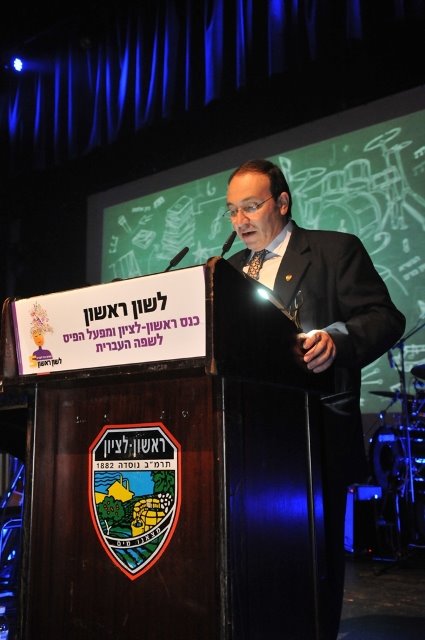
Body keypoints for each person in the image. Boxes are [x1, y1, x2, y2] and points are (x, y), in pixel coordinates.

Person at [225, 158, 406, 640]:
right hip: (244, 439)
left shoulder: (333, 250)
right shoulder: (227, 273)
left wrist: (338, 341)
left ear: (282, 202)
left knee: (312, 564)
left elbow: (385, 317)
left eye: (251, 207)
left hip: (314, 435)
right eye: (232, 211)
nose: (240, 221)